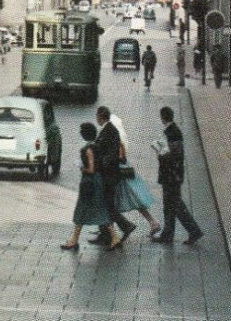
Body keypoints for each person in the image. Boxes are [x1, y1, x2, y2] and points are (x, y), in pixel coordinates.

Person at [153, 106, 203, 244]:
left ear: (162, 116)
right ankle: (168, 234)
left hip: (171, 176)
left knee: (175, 205)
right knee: (170, 205)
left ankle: (193, 231)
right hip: (172, 175)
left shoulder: (173, 132)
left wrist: (159, 153)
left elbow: (173, 154)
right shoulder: (172, 130)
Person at [109, 113, 161, 238]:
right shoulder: (117, 138)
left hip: (121, 175)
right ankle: (152, 222)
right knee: (132, 200)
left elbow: (121, 156)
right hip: (122, 174)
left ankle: (152, 222)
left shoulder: (118, 140)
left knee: (129, 200)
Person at [91, 107, 135, 248]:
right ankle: (105, 234)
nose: (96, 119)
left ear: (101, 116)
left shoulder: (110, 131)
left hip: (109, 175)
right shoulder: (107, 130)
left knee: (108, 205)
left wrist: (100, 163)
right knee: (105, 204)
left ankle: (125, 226)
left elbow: (111, 153)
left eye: (97, 116)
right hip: (107, 174)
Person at [61, 123, 110, 251]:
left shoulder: (88, 149)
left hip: (90, 182)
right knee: (98, 209)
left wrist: (82, 168)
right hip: (97, 181)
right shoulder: (98, 146)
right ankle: (75, 239)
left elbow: (91, 169)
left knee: (83, 209)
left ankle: (74, 240)